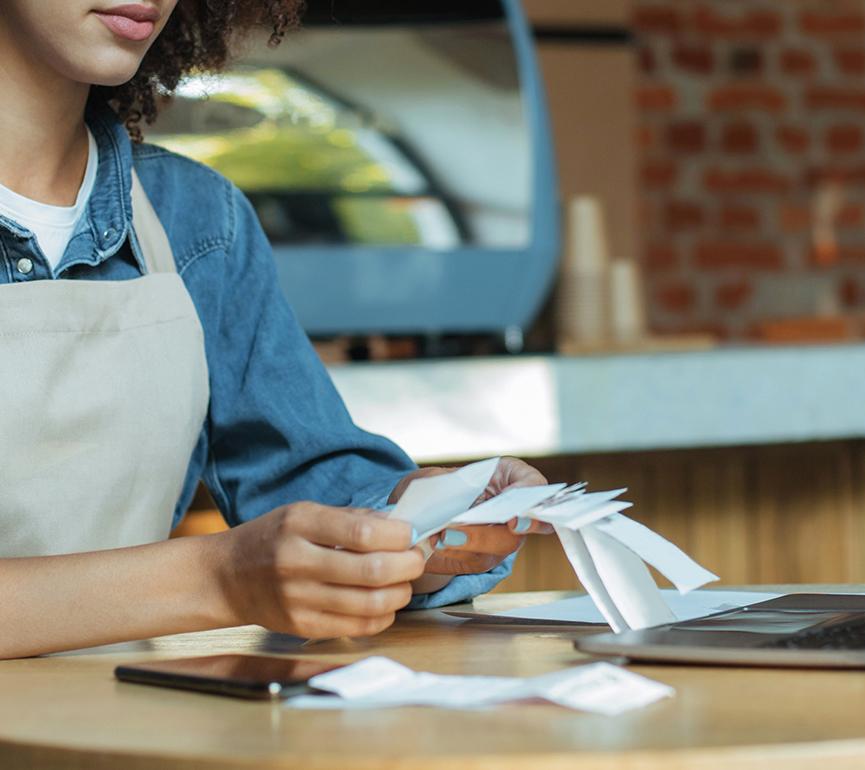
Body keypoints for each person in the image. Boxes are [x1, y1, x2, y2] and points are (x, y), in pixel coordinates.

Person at [0, 0, 550, 660]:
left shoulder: (199, 224)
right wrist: (221, 577)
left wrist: (424, 521)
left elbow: (317, 494)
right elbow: (238, 570)